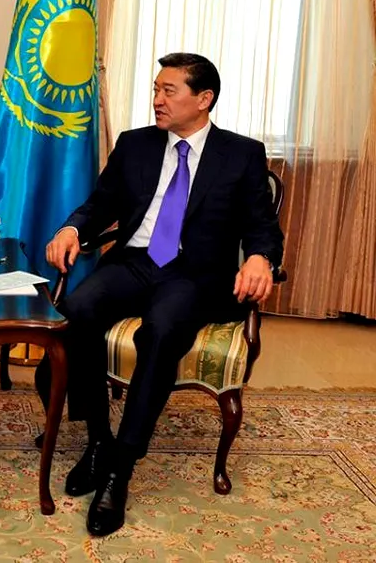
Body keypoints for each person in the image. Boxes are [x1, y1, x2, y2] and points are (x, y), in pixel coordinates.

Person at [41, 53, 284, 536]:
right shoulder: (135, 144)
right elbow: (99, 205)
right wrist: (72, 228)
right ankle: (98, 442)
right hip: (134, 262)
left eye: (169, 91)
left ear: (204, 98)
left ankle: (121, 468)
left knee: (162, 330)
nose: (157, 99)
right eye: (156, 89)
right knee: (77, 310)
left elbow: (262, 226)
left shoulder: (241, 154)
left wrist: (260, 257)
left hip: (194, 275)